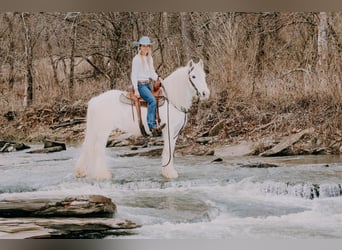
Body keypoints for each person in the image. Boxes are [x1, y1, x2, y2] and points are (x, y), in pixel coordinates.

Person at [131, 36, 165, 137]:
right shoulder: (136, 59)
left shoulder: (149, 58)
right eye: (143, 46)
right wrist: (136, 89)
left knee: (156, 98)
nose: (145, 48)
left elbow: (152, 73)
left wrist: (158, 78)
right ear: (140, 47)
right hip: (140, 85)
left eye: (147, 46)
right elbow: (134, 75)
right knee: (152, 101)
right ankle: (152, 126)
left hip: (147, 84)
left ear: (149, 48)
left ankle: (156, 123)